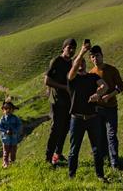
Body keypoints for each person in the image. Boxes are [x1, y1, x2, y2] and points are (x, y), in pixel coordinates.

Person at [66, 41, 109, 180]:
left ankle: (100, 176)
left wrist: (99, 94)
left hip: (92, 118)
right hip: (77, 119)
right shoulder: (72, 79)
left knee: (97, 149)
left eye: (83, 62)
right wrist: (82, 51)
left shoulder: (92, 77)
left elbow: (105, 86)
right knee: (74, 150)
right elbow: (73, 70)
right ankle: (72, 176)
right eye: (79, 62)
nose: (81, 64)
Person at [89, 45, 123, 170]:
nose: (95, 59)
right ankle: (105, 159)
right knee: (101, 136)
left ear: (102, 56)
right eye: (93, 57)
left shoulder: (112, 70)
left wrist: (110, 95)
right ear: (90, 59)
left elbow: (121, 86)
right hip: (98, 109)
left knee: (111, 135)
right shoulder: (91, 73)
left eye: (97, 56)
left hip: (111, 107)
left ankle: (115, 162)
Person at [44, 38, 76, 166]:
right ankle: (48, 157)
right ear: (64, 48)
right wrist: (64, 87)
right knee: (56, 128)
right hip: (57, 100)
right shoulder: (56, 61)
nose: (71, 50)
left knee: (65, 128)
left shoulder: (72, 63)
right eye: (69, 48)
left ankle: (58, 154)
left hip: (68, 101)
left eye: (74, 48)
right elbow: (47, 80)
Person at [0, 101, 23, 168]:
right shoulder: (2, 119)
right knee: (6, 151)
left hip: (14, 138)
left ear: (13, 110)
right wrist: (5, 131)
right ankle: (5, 162)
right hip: (6, 138)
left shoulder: (15, 118)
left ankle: (12, 161)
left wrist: (15, 131)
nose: (7, 110)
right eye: (6, 109)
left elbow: (19, 125)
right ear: (3, 110)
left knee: (13, 151)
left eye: (9, 108)